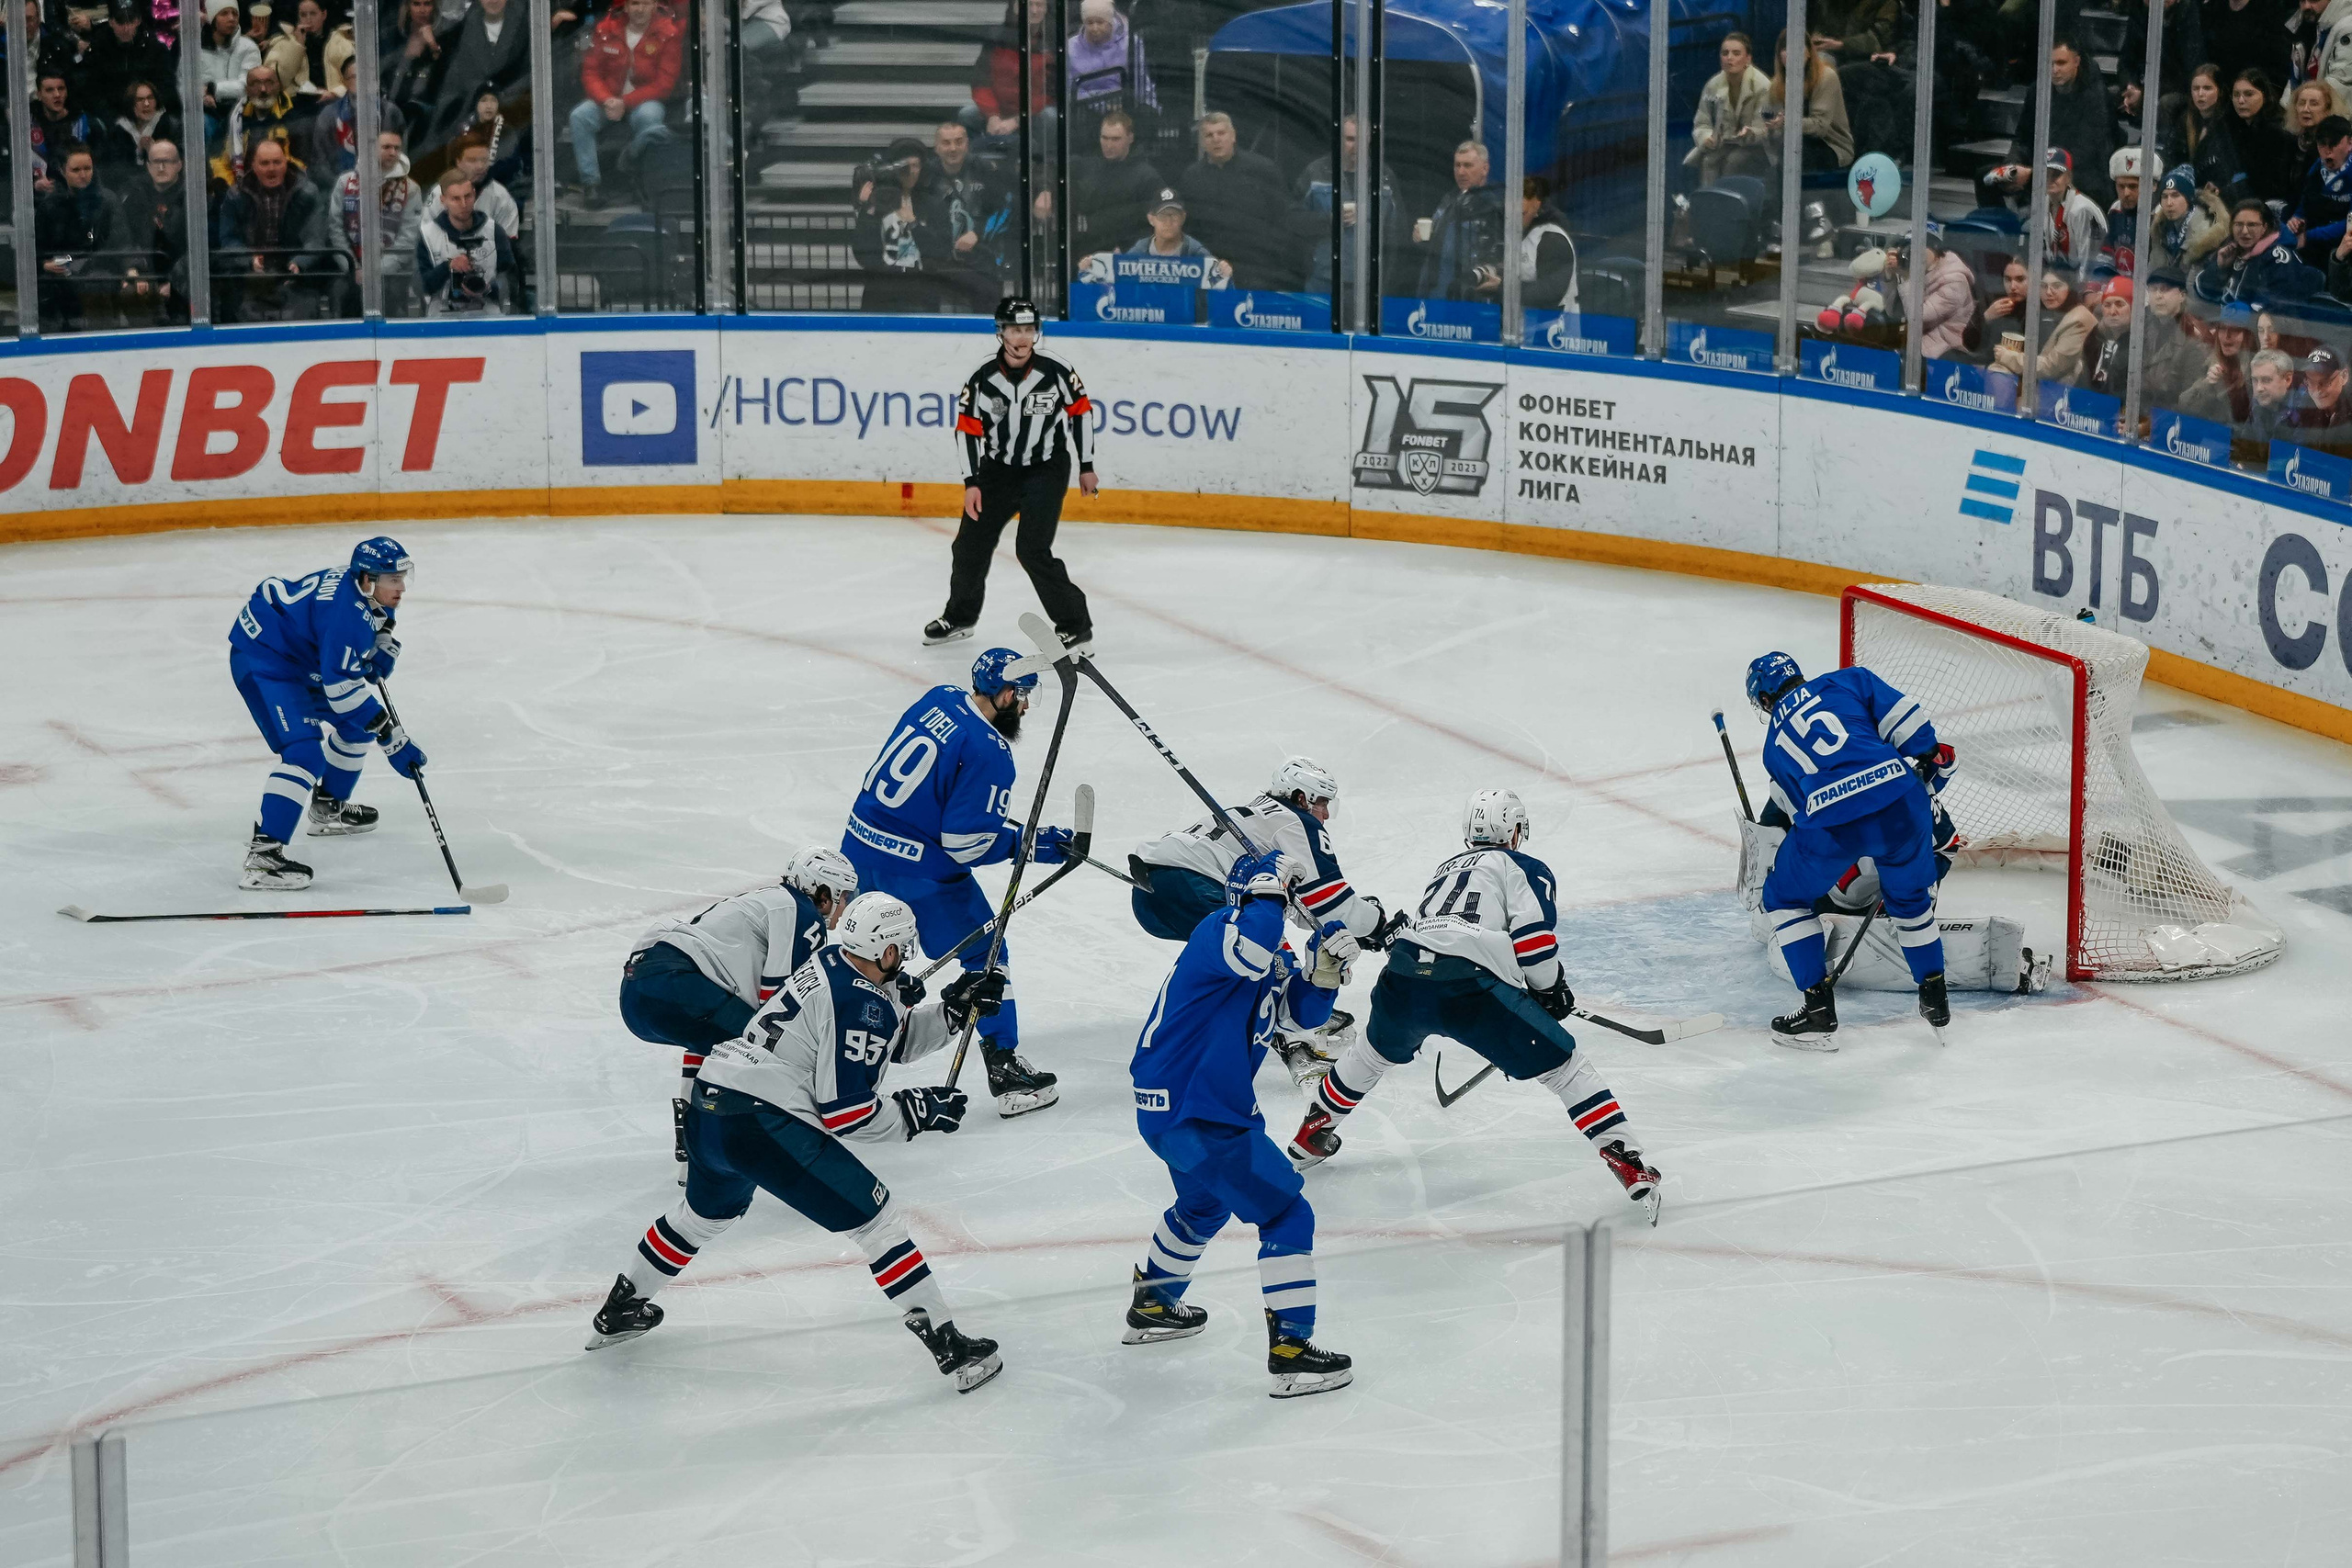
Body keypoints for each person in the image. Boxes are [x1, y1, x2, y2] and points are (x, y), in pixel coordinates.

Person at [584, 894, 1010, 1396]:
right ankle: (950, 1347)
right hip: (760, 1121)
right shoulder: (863, 1003)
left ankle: (621, 1307)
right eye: (903, 945)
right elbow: (847, 1113)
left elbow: (880, 1039)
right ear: (889, 951)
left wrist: (951, 1013)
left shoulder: (829, 961)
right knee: (878, 1224)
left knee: (701, 1217)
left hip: (712, 1100)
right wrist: (915, 1113)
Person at [1282, 791, 1666, 1224]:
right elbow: (1534, 943)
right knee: (1566, 1069)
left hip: (1403, 978)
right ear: (1514, 830)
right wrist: (1550, 989)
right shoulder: (1523, 866)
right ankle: (1626, 1159)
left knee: (1370, 1057)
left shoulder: (1445, 869)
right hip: (1469, 989)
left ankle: (1313, 1132)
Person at [1123, 847, 1357, 1398]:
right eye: (1280, 893)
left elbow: (1298, 1019)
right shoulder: (1219, 929)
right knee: (1287, 1213)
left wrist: (1322, 973)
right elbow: (1251, 950)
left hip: (1171, 1110)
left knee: (1203, 1207)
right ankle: (1292, 1353)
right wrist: (1266, 887)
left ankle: (1154, 1305)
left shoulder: (1263, 950)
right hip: (1203, 1111)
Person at [837, 644, 1073, 1117]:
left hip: (858, 852)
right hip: (921, 873)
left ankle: (838, 1052)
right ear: (1004, 694)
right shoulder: (991, 752)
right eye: (1023, 694)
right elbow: (967, 845)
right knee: (986, 957)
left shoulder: (939, 698)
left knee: (869, 958)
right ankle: (1005, 1068)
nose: (1026, 705)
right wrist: (1031, 844)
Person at [1127, 756, 1395, 1082]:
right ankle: (1294, 1038)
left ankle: (1249, 1012)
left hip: (1148, 894)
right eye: (1322, 803)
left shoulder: (1255, 814)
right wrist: (1379, 925)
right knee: (1260, 947)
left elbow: (1297, 906)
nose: (1325, 814)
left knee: (1253, 938)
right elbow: (1330, 906)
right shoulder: (1294, 821)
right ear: (1301, 798)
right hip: (1194, 887)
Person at [1743, 653, 1956, 1045]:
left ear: (1766, 700)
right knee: (1910, 901)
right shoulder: (1849, 681)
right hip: (1901, 803)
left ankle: (1818, 1009)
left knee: (1784, 898)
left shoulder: (1773, 745)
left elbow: (1798, 813)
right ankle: (1935, 1001)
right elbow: (1914, 729)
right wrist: (1928, 757)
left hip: (1834, 824)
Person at [621, 846, 857, 1179]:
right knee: (772, 1051)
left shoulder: (769, 900)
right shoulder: (801, 912)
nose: (844, 907)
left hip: (640, 993)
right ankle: (787, 1148)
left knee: (720, 1041)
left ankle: (693, 1150)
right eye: (843, 895)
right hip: (675, 986)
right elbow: (779, 1005)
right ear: (822, 891)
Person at [224, 536, 424, 891]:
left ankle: (328, 809)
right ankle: (263, 858)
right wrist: (391, 738)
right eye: (393, 579)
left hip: (299, 656)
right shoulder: (346, 617)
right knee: (304, 755)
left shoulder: (363, 588)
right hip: (265, 658)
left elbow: (379, 617)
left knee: (357, 727)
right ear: (368, 580)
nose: (402, 587)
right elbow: (341, 691)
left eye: (402, 577)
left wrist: (382, 640)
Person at [1735, 806, 2052, 996]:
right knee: (1773, 928)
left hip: (1884, 894)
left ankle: (1910, 926)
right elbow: (1770, 835)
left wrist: (1911, 886)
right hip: (1821, 891)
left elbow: (1945, 846)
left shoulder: (1907, 789)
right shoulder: (1801, 776)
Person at [929, 299, 1098, 649]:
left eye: (1028, 329)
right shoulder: (982, 377)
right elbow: (967, 430)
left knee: (1032, 549)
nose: (1022, 338)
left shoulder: (1056, 370)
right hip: (996, 473)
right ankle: (960, 618)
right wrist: (972, 482)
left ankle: (1076, 626)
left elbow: (1080, 412)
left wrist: (1087, 465)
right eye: (1014, 329)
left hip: (1046, 470)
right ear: (1000, 332)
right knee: (969, 546)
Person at [568, 0, 682, 209]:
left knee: (649, 118)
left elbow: (664, 84)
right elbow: (591, 72)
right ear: (626, 7)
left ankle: (644, 182)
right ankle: (591, 184)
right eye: (635, 3)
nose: (640, 9)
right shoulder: (605, 30)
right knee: (579, 117)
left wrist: (625, 102)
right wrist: (606, 99)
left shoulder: (668, 33)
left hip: (645, 100)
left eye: (646, 4)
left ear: (655, 5)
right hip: (609, 99)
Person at [1175, 111, 1294, 289]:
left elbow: (1283, 219)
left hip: (1258, 270)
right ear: (1202, 142)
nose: (1216, 139)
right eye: (1209, 135)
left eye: (1221, 133)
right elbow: (1188, 227)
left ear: (1233, 136)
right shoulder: (1191, 177)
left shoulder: (1263, 170)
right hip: (1210, 269)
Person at [215, 136, 330, 320]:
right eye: (265, 163)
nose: (271, 168)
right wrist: (249, 260)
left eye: (277, 162)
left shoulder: (308, 192)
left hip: (297, 278)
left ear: (286, 163)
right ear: (253, 166)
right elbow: (229, 239)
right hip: (250, 279)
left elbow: (315, 238)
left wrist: (300, 262)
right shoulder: (236, 195)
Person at [1295, 113, 1403, 294]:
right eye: (1351, 139)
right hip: (1322, 280)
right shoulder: (1315, 172)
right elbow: (1293, 220)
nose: (1357, 147)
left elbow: (1396, 233)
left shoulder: (1384, 176)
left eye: (1362, 140)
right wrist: (1330, 219)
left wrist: (1387, 281)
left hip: (1369, 283)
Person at [34, 143, 124, 331]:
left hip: (100, 272)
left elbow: (119, 241)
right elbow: (37, 249)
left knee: (99, 283)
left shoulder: (108, 201)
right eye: (76, 170)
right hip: (59, 278)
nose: (83, 175)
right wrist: (44, 264)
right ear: (62, 170)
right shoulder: (49, 206)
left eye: (87, 169)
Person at [334, 128, 423, 302]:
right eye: (387, 147)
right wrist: (352, 267)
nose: (393, 152)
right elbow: (335, 228)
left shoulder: (411, 189)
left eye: (397, 148)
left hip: (392, 275)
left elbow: (408, 237)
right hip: (349, 270)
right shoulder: (344, 183)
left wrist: (376, 272)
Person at [416, 166, 516, 315]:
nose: (463, 204)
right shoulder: (427, 235)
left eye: (467, 196)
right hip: (442, 317)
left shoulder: (494, 230)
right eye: (455, 199)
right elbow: (420, 287)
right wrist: (448, 267)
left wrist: (488, 289)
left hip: (487, 315)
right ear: (443, 200)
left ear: (474, 195)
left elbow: (510, 279)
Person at [1084, 186, 1231, 287]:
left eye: (1174, 216)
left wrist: (1225, 277)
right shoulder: (1138, 252)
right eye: (1162, 216)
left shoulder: (1196, 253)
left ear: (1183, 218)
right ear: (1151, 219)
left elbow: (1221, 298)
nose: (1168, 222)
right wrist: (1088, 271)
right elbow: (1115, 290)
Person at [429, 0, 527, 150]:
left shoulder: (525, 26)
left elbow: (528, 74)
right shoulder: (461, 28)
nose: (493, 1)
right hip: (467, 122)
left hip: (515, 121)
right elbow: (453, 83)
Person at [1414, 140, 1505, 300]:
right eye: (1457, 165)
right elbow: (1440, 247)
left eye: (1468, 165)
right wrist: (1421, 239)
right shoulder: (1449, 199)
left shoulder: (1491, 207)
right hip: (1435, 293)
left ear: (1485, 169)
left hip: (1467, 297)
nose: (1461, 172)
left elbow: (1497, 256)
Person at [116, 135, 191, 321]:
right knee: (130, 292)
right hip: (146, 276)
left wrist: (175, 281)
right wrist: (133, 269)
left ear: (179, 165)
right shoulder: (134, 196)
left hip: (183, 278)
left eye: (167, 161)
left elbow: (199, 247)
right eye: (156, 162)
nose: (161, 167)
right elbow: (125, 238)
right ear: (148, 166)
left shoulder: (192, 197)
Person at [1071, 108, 1164, 254]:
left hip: (1126, 254)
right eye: (1104, 138)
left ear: (1130, 138)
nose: (1109, 145)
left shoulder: (1147, 177)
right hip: (1087, 249)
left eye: (1115, 139)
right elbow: (1053, 169)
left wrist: (1129, 248)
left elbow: (1160, 223)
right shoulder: (1088, 166)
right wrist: (1047, 190)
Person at [1688, 30, 1773, 185]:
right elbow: (1702, 123)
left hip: (1758, 148)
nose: (1729, 58)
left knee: (1733, 162)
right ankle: (1710, 199)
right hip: (1725, 145)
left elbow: (1765, 129)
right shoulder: (1713, 85)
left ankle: (1730, 199)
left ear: (1748, 58)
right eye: (1725, 53)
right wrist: (1707, 138)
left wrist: (1750, 133)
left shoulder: (1763, 86)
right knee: (1708, 161)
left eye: (1736, 53)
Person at [79, 0, 180, 128]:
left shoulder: (155, 49)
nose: (126, 28)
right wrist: (115, 120)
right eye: (120, 22)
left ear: (138, 21)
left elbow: (167, 87)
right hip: (112, 120)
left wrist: (152, 115)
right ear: (111, 22)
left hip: (152, 117)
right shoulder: (97, 50)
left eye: (131, 21)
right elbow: (91, 92)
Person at [2197, 194, 2322, 297]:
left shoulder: (2277, 257)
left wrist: (2247, 313)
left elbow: (2281, 305)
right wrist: (2220, 268)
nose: (2244, 231)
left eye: (2252, 225)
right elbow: (2203, 292)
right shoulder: (2230, 249)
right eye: (2238, 224)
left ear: (2264, 228)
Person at [1765, 29, 1853, 172]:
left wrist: (1786, 122)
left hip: (1831, 145)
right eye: (1786, 49)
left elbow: (1820, 127)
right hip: (1791, 147)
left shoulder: (1827, 77)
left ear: (1809, 52)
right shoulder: (1776, 85)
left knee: (1798, 151)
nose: (1792, 53)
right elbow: (1774, 132)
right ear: (1780, 56)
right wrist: (1771, 127)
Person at [1065, 0, 1155, 141]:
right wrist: (1104, 105)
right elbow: (1069, 89)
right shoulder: (1070, 47)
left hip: (1126, 105)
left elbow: (1141, 80)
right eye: (1089, 23)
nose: (1094, 28)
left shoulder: (1131, 43)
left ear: (1110, 22)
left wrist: (1149, 105)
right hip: (1087, 111)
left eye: (1100, 22)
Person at [1991, 268, 2098, 382]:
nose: (2048, 292)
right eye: (2043, 286)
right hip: (2043, 382)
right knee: (1997, 371)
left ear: (2070, 289)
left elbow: (2052, 368)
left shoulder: (2078, 320)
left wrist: (2007, 357)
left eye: (2056, 286)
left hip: (2064, 389)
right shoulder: (2047, 312)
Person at [2164, 62, 2251, 197]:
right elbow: (2174, 160)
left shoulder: (2230, 123)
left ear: (2220, 91)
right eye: (2196, 88)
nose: (2200, 94)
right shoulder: (2184, 121)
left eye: (2207, 88)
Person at [2227, 67, 2306, 201]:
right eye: (2236, 95)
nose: (2241, 101)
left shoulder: (2275, 131)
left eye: (2249, 94)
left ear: (2265, 95)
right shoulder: (2241, 128)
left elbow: (2271, 185)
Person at [423, 132, 520, 239]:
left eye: (484, 160)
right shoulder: (439, 192)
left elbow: (508, 240)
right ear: (458, 162)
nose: (480, 166)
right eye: (472, 160)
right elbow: (427, 235)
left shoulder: (500, 196)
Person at [198, 0, 261, 153]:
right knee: (201, 123)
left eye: (235, 13)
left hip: (242, 111)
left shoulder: (248, 47)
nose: (231, 18)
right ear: (212, 18)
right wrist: (202, 97)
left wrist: (212, 89)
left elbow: (248, 86)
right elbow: (188, 84)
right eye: (224, 13)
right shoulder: (197, 48)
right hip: (209, 112)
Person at [2145, 162, 2233, 274]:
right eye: (2164, 196)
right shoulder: (2159, 230)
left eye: (2175, 195)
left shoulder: (2207, 234)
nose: (2169, 203)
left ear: (2189, 199)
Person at [2286, 112, 2352, 259]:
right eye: (2322, 144)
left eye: (2334, 144)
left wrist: (2308, 236)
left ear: (2350, 143)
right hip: (2314, 240)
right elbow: (2305, 200)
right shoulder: (2316, 168)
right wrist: (2297, 218)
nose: (2327, 151)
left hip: (2343, 247)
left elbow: (2350, 225)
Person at [2179, 300, 2257, 422]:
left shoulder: (2257, 370)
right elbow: (2184, 405)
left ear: (2248, 335)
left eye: (2235, 330)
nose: (2227, 336)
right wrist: (2207, 384)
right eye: (2222, 328)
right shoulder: (2208, 363)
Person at [98, 78, 182, 186]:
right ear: (131, 104)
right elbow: (113, 169)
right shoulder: (119, 131)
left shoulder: (170, 126)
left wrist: (154, 152)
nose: (146, 104)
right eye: (140, 100)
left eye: (150, 98)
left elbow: (179, 163)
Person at [29, 71, 100, 196]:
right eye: (50, 90)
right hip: (37, 194)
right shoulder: (28, 121)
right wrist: (33, 183)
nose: (57, 95)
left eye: (61, 89)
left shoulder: (83, 122)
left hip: (78, 192)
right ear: (39, 95)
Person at [1518, 175, 1579, 311]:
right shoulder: (1512, 232)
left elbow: (1549, 292)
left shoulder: (1552, 238)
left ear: (1536, 205)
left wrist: (1501, 288)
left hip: (1553, 319)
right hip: (1520, 318)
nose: (1515, 220)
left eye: (1522, 214)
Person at [1916, 229, 1977, 358]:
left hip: (1944, 346)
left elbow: (1918, 317)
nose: (1916, 252)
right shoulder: (1919, 270)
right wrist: (1890, 278)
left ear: (1935, 247)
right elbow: (1893, 311)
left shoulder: (1955, 281)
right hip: (1921, 338)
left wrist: (1906, 279)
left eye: (1922, 246)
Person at [2076, 278, 2136, 407]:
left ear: (2133, 308)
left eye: (2120, 304)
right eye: (2107, 305)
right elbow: (2083, 382)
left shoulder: (2141, 344)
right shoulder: (2094, 338)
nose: (2112, 311)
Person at [2288, 344, 2352, 448]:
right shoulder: (2308, 411)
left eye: (2325, 382)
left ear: (2344, 376)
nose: (2317, 390)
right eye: (2310, 382)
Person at [2243, 345, 2302, 447]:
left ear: (2287, 379)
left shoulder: (2304, 410)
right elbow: (2244, 447)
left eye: (2266, 380)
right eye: (2255, 380)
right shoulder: (2257, 403)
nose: (2259, 388)